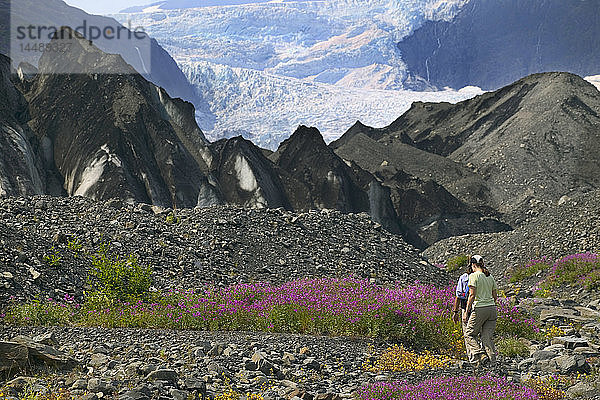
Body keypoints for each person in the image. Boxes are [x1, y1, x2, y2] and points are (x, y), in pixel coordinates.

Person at [463, 254, 498, 367]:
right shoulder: (490, 276)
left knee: (469, 334)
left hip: (479, 308)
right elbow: (495, 296)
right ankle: (493, 363)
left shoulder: (474, 276)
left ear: (473, 265)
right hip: (492, 309)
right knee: (486, 337)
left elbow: (472, 295)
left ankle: (481, 354)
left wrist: (466, 311)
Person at [452, 259, 475, 359]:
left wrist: (455, 312)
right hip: (480, 307)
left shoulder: (464, 278)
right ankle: (483, 355)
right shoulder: (484, 277)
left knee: (467, 333)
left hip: (465, 307)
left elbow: (458, 296)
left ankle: (473, 357)